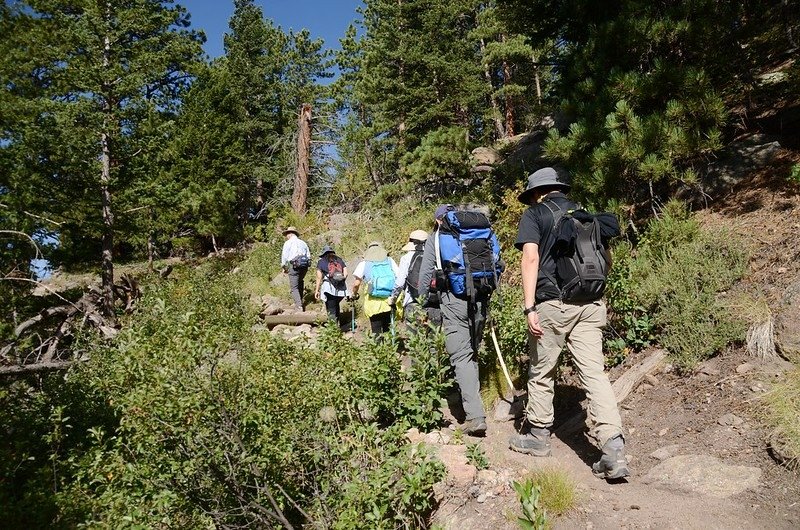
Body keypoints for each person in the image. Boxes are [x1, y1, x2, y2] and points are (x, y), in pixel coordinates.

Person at [509, 167, 629, 479]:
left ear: (537, 192)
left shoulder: (535, 214)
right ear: (560, 188)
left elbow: (530, 259)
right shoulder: (584, 214)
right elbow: (605, 258)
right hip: (590, 304)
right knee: (595, 375)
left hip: (553, 305)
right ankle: (613, 447)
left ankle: (538, 437)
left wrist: (529, 307)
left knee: (541, 370)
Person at [417, 204, 492, 436]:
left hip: (453, 299)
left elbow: (425, 275)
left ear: (439, 220)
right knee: (472, 350)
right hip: (481, 297)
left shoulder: (437, 238)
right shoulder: (477, 231)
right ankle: (472, 397)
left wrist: (423, 304)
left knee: (461, 355)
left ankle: (475, 415)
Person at [389, 229, 437, 333]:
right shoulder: (436, 257)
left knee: (414, 341)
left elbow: (400, 283)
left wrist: (393, 298)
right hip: (434, 302)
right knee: (434, 342)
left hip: (412, 302)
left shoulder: (406, 258)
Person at [350, 242, 400, 337]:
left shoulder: (364, 263)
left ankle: (378, 349)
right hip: (388, 300)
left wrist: (354, 294)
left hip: (373, 301)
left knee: (376, 329)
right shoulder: (389, 260)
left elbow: (356, 284)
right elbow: (399, 277)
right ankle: (390, 348)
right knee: (388, 328)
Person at [314, 245, 349, 324]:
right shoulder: (339, 260)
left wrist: (317, 290)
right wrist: (340, 281)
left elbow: (319, 277)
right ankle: (337, 326)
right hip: (341, 288)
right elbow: (346, 273)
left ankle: (333, 329)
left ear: (323, 253)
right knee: (336, 305)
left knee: (331, 308)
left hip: (329, 287)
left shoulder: (321, 261)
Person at [280, 226, 311, 311]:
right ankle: (300, 301)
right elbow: (308, 256)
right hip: (304, 266)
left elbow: (285, 257)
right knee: (300, 281)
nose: (286, 236)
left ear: (289, 234)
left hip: (293, 265)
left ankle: (299, 306)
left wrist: (284, 267)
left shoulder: (288, 243)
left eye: (287, 234)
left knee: (294, 287)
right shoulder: (303, 243)